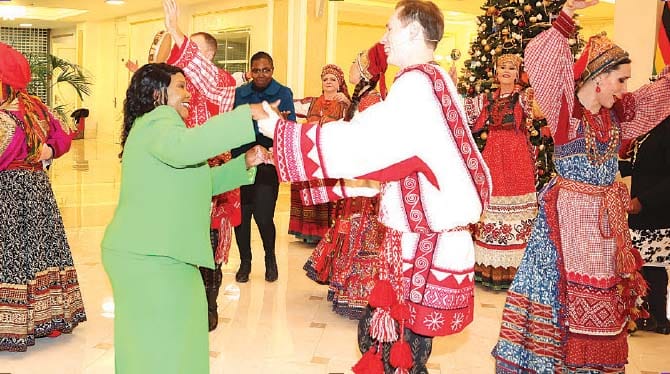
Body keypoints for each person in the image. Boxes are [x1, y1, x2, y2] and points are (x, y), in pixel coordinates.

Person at [254, 1, 491, 372]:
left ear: (413, 32)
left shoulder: (417, 85)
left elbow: (364, 144)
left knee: (402, 349)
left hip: (424, 241)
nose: (383, 38)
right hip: (424, 235)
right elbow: (388, 149)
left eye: (389, 28)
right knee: (389, 340)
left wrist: (281, 133)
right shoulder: (432, 79)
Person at [491, 1, 670, 372]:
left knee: (601, 306)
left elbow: (657, 98)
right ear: (599, 77)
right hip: (564, 231)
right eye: (621, 80)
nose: (625, 89)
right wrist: (568, 13)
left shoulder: (619, 116)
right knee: (558, 304)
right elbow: (544, 64)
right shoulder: (566, 114)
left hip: (602, 236)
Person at [101, 63, 266, 373]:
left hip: (159, 254)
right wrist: (248, 115)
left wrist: (245, 160)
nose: (188, 94)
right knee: (160, 348)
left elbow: (201, 182)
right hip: (147, 258)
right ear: (156, 94)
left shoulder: (163, 132)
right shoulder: (157, 123)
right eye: (180, 86)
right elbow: (185, 149)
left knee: (173, 342)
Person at [0, 42, 86, 352]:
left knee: (23, 252)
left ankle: (31, 320)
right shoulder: (35, 107)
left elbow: (61, 140)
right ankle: (38, 318)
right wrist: (45, 151)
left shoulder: (33, 107)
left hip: (19, 193)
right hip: (33, 191)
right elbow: (60, 138)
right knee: (31, 251)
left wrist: (48, 150)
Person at [160, 0, 240, 332]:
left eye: (192, 49)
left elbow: (206, 80)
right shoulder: (180, 91)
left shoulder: (223, 85)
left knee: (209, 249)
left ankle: (209, 307)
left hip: (213, 181)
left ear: (206, 56)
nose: (184, 59)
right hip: (180, 180)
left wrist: (177, 33)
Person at [303, 43, 389, 320]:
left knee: (364, 232)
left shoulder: (372, 100)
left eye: (356, 62)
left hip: (367, 180)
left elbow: (369, 141)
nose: (350, 66)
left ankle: (361, 293)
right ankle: (348, 288)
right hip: (358, 177)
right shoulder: (360, 98)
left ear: (365, 72)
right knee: (352, 228)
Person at [463, 54, 538, 290]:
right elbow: (465, 114)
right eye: (502, 67)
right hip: (494, 156)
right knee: (493, 207)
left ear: (518, 73)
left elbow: (539, 111)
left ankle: (518, 274)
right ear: (496, 71)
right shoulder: (487, 99)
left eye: (511, 68)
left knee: (516, 211)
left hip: (517, 159)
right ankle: (490, 271)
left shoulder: (525, 97)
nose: (506, 71)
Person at [232, 51, 296, 283]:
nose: (261, 75)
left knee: (264, 216)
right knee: (241, 217)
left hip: (268, 164)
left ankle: (270, 258)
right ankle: (245, 262)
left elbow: (289, 129)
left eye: (266, 70)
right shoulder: (240, 93)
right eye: (256, 70)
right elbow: (233, 124)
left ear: (272, 69)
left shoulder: (283, 93)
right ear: (250, 71)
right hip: (240, 161)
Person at [619, 115, 670, 335]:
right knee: (642, 265)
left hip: (657, 211)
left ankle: (659, 318)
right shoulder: (651, 126)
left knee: (655, 268)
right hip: (641, 211)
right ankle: (645, 315)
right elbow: (643, 166)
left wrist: (644, 201)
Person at [289, 64, 350, 244]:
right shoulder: (312, 102)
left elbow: (356, 120)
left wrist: (348, 103)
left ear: (339, 83)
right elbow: (289, 105)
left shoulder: (345, 105)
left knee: (326, 192)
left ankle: (326, 232)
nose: (329, 82)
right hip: (310, 155)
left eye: (333, 79)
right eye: (325, 79)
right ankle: (307, 232)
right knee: (309, 189)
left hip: (330, 156)